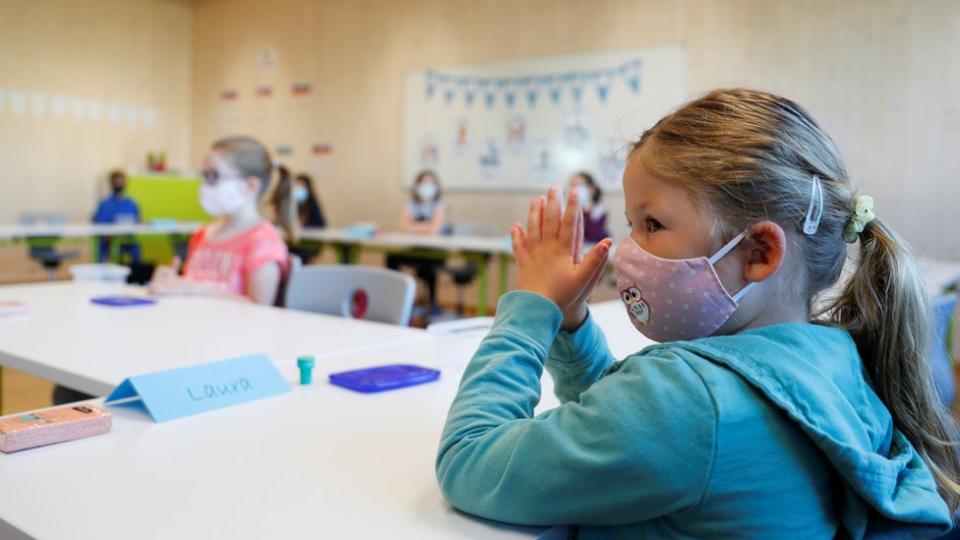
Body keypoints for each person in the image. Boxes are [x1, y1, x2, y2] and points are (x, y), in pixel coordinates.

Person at [436, 89, 957, 537]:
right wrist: (570, 326)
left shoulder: (688, 402)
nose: (627, 248)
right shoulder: (832, 358)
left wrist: (532, 308)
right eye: (631, 223)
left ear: (758, 253)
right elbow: (621, 430)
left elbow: (470, 460)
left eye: (653, 224)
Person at [148, 136, 288, 305]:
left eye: (213, 176)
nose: (204, 185)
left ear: (250, 185)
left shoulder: (263, 241)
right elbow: (189, 286)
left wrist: (194, 289)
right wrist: (170, 282)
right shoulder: (203, 233)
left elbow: (261, 307)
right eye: (204, 175)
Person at [386, 170, 447, 313]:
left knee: (429, 266)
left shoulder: (440, 204)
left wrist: (413, 226)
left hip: (435, 251)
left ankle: (432, 303)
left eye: (430, 183)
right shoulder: (412, 203)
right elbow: (402, 226)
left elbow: (434, 230)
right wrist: (425, 226)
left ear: (436, 186)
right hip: (415, 250)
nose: (426, 186)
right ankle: (396, 297)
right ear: (417, 186)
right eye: (423, 183)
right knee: (392, 258)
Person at [270, 167, 326, 262]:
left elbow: (321, 224)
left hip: (308, 243)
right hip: (291, 241)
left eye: (301, 186)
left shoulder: (312, 204)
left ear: (308, 188)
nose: (298, 189)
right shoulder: (289, 203)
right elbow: (282, 221)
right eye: (296, 186)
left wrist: (303, 225)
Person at [91, 169, 141, 263]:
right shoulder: (105, 203)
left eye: (121, 181)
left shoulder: (131, 203)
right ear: (111, 183)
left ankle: (135, 274)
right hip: (109, 240)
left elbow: (137, 221)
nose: (119, 184)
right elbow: (97, 222)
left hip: (127, 239)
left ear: (125, 183)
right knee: (104, 246)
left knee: (136, 248)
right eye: (116, 182)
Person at [568, 171, 608, 243]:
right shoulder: (567, 209)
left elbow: (591, 237)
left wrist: (586, 213)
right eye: (572, 185)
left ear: (592, 189)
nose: (574, 189)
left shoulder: (599, 211)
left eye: (579, 185)